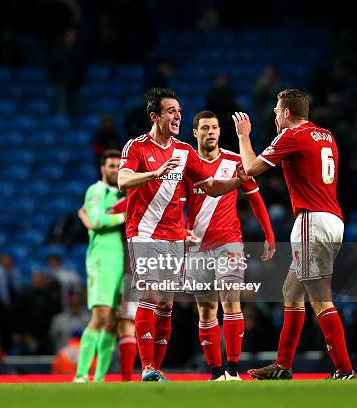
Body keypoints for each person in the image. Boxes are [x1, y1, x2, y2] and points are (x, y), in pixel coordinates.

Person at [117, 88, 249, 382]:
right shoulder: (136, 147)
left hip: (175, 236)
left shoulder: (185, 151)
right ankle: (147, 367)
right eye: (170, 111)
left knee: (166, 303)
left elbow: (212, 185)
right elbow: (123, 179)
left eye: (179, 110)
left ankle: (156, 371)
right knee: (149, 294)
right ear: (155, 116)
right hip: (145, 233)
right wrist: (155, 173)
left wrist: (236, 182)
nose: (177, 115)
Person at [235, 89, 354, 380]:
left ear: (287, 113)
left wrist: (243, 136)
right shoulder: (325, 135)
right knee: (291, 292)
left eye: (277, 111)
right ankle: (283, 365)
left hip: (311, 221)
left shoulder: (292, 136)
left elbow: (250, 168)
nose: (275, 115)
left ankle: (344, 369)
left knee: (320, 299)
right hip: (333, 220)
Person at [182, 111, 275, 381]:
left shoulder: (235, 161)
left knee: (231, 302)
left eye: (215, 127)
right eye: (205, 128)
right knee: (206, 309)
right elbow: (176, 203)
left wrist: (269, 233)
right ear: (195, 133)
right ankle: (214, 372)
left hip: (230, 242)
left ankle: (232, 369)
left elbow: (255, 197)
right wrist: (179, 231)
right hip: (197, 245)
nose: (211, 132)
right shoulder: (187, 165)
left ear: (220, 132)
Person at [73, 149, 133, 382]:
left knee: (113, 322)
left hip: (124, 260)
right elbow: (96, 221)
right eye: (111, 165)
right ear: (102, 168)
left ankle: (98, 379)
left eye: (119, 165)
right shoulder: (96, 190)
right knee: (100, 316)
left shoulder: (121, 195)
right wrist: (124, 216)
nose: (115, 169)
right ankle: (80, 375)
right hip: (103, 259)